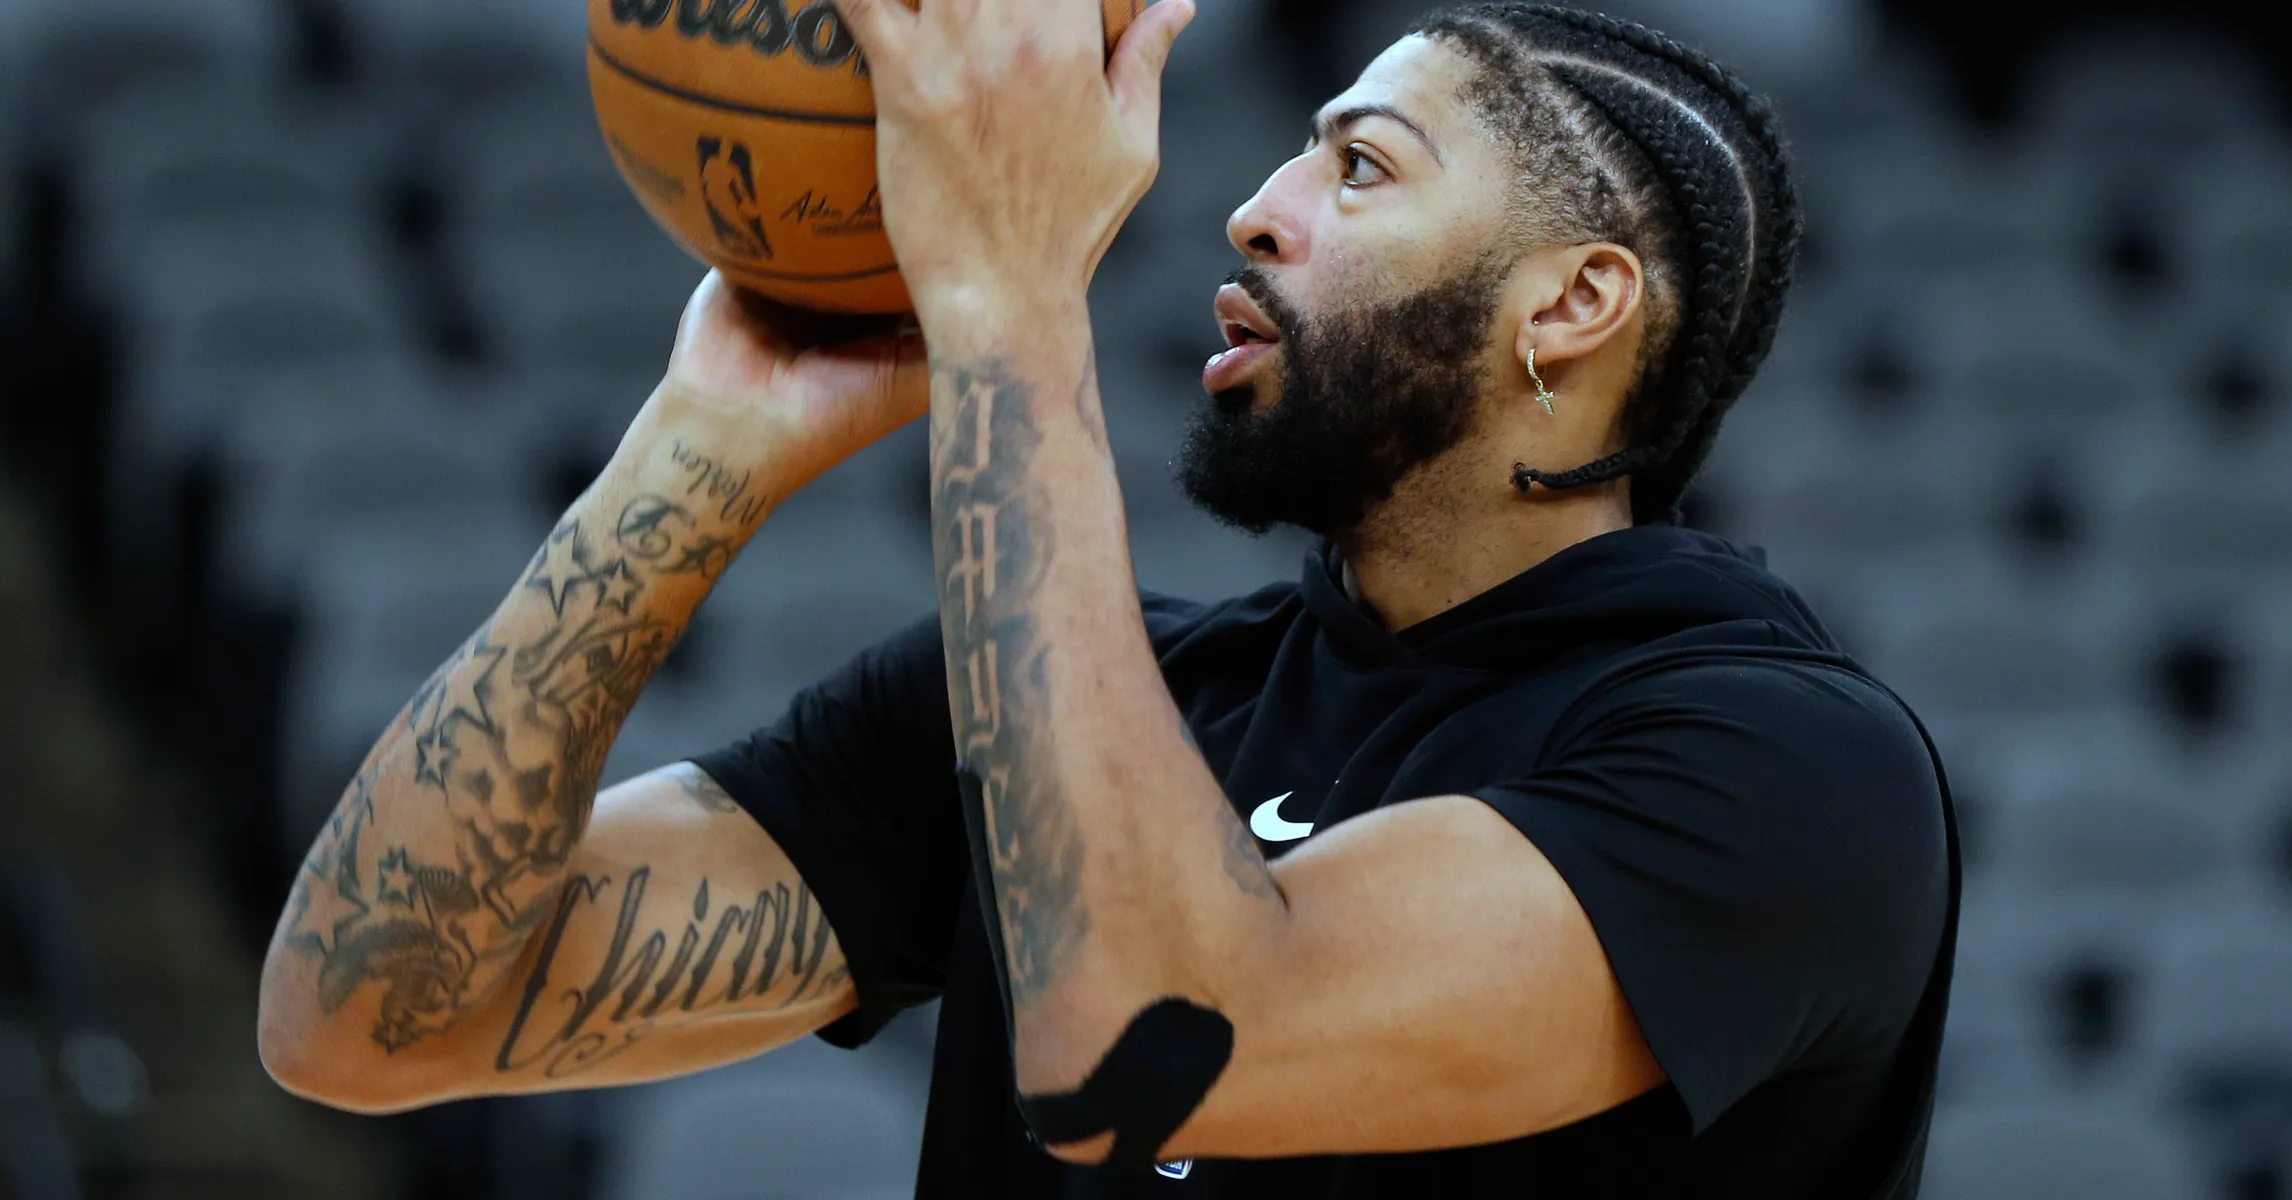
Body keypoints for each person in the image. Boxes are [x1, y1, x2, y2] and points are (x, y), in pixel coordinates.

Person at [255, 2, 1958, 1195]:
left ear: (1575, 303)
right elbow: (370, 1017)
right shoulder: (1066, 703)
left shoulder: (1786, 772)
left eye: (1360, 169)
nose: (1255, 213)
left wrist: (1006, 292)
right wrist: (704, 439)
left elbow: (1147, 1043)